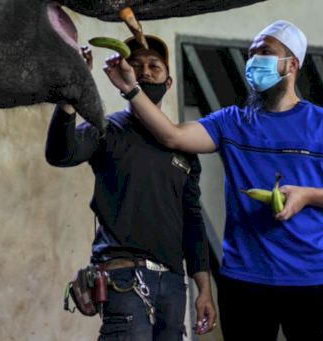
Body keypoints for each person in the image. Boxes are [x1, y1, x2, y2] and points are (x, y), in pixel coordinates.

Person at [102, 20, 323, 341]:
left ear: (292, 64)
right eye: (251, 53)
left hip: (310, 279)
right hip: (244, 281)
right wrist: (131, 89)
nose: (254, 60)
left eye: (265, 52)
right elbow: (172, 135)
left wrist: (308, 195)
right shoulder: (232, 121)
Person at [46, 35, 217, 340]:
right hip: (124, 278)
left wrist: (204, 288)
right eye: (136, 65)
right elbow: (60, 154)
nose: (145, 72)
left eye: (154, 66)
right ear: (123, 76)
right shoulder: (107, 129)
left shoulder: (184, 148)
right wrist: (71, 97)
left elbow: (193, 222)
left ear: (168, 82)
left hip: (173, 285)